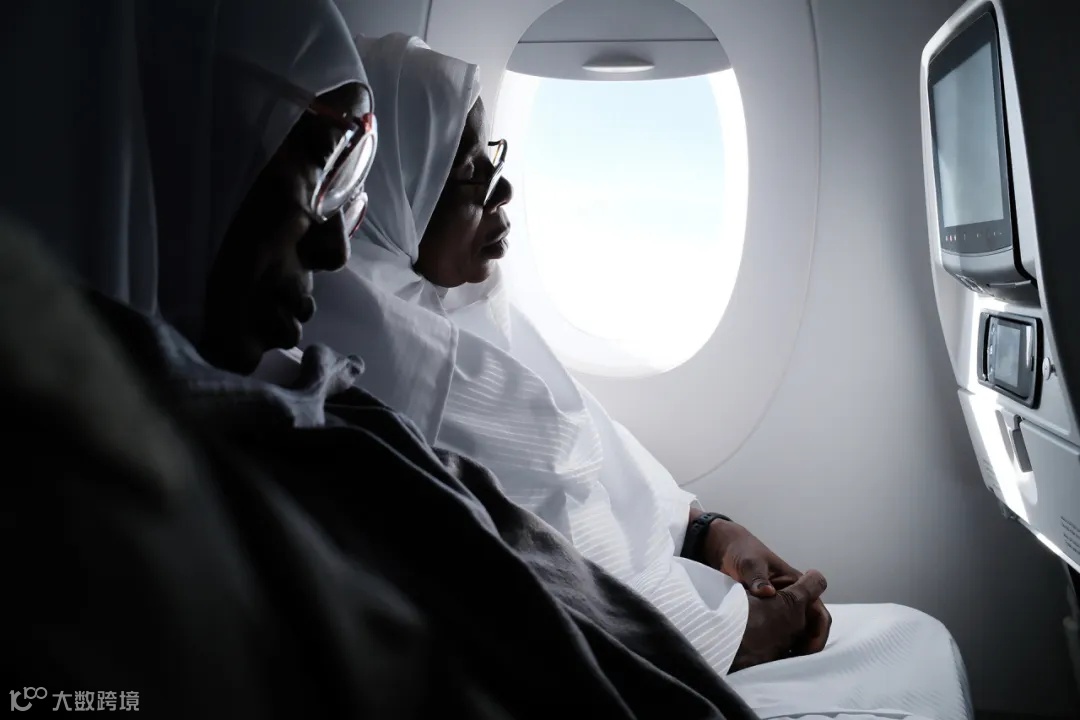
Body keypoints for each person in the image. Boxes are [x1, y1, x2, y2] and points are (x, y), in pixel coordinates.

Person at [2, 2, 775, 718]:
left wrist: (704, 526)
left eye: (352, 183)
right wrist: (741, 625)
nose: (335, 248)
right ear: (204, 161)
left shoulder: (340, 380)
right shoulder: (364, 391)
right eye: (323, 170)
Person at [306, 32, 974, 720]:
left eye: (492, 154)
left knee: (913, 635)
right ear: (396, 191)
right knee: (909, 644)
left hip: (666, 597)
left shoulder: (467, 302)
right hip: (642, 645)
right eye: (467, 170)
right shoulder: (400, 368)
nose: (502, 185)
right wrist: (736, 633)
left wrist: (708, 530)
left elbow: (595, 451)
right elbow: (558, 585)